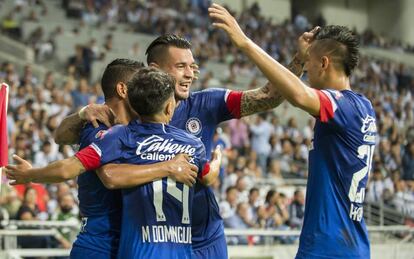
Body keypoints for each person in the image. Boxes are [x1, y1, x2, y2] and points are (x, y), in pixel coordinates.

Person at [54, 33, 305, 259]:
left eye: (192, 67)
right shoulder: (129, 112)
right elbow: (62, 137)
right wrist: (83, 113)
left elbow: (268, 97)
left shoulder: (206, 103)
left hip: (205, 236)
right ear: (155, 69)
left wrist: (299, 60)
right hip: (154, 239)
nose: (190, 74)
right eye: (181, 66)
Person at [208, 3, 377, 258]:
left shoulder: (340, 104)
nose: (305, 71)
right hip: (353, 243)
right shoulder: (363, 107)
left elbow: (297, 94)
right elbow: (284, 93)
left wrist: (244, 43)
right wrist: (299, 58)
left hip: (328, 247)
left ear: (324, 62)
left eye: (308, 63)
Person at [7, 67, 221, 258]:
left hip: (132, 244)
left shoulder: (120, 135)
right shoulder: (101, 128)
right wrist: (171, 167)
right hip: (104, 242)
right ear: (123, 90)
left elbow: (68, 165)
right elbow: (107, 175)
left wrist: (31, 174)